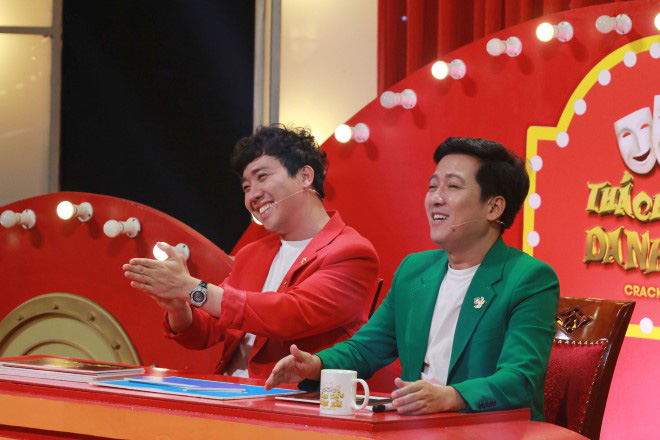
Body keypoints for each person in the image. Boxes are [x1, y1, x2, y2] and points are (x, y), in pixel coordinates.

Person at [265, 137, 559, 421]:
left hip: (489, 429)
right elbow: (366, 348)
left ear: (494, 208)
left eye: (453, 186)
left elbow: (520, 378)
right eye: (432, 186)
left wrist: (452, 397)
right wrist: (316, 364)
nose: (436, 198)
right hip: (414, 427)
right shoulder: (414, 270)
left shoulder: (529, 279)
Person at [123, 125, 379, 379]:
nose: (253, 195)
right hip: (229, 394)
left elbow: (289, 314)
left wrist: (191, 288)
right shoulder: (252, 254)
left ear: (305, 176)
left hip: (291, 399)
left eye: (262, 177)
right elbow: (206, 331)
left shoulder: (351, 252)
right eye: (246, 187)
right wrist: (178, 306)